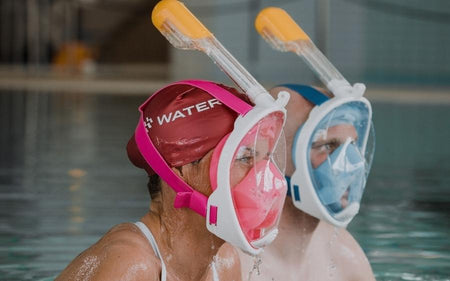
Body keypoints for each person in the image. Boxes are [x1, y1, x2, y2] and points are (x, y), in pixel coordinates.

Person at [56, 79, 288, 281]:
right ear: (181, 171)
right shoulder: (132, 265)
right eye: (245, 157)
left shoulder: (224, 264)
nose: (264, 178)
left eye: (265, 158)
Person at [239, 84, 376, 281]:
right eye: (328, 146)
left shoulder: (346, 258)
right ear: (272, 158)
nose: (353, 163)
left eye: (352, 144)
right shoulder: (236, 263)